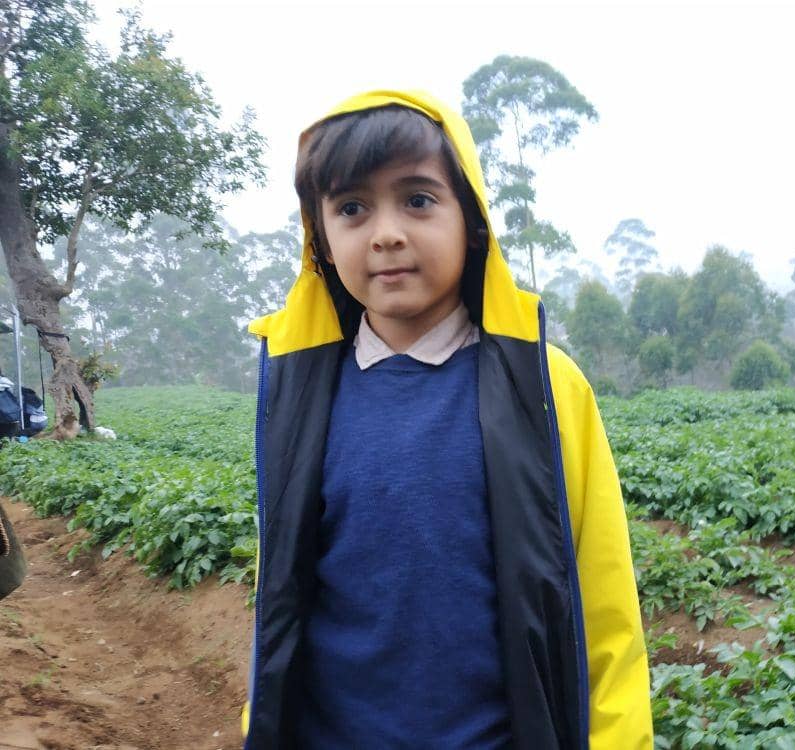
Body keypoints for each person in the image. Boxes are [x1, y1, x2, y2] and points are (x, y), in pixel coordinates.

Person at [240, 90, 652, 750]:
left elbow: (603, 604)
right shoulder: (298, 398)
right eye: (351, 208)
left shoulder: (544, 388)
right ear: (320, 238)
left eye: (418, 199)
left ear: (473, 220)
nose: (386, 232)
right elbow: (280, 597)